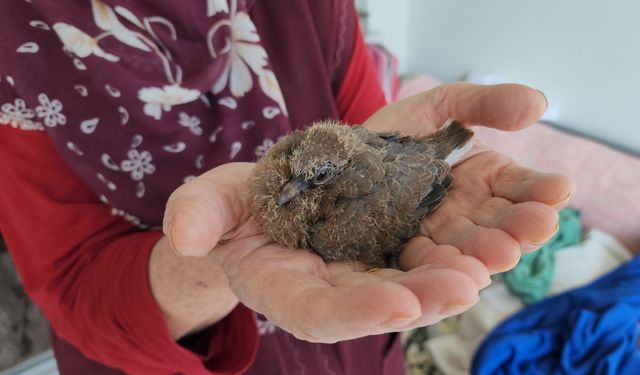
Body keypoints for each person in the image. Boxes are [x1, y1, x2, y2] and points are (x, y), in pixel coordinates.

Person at [0, 0, 574, 374]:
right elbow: (72, 284)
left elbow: (363, 133)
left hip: (353, 341)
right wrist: (217, 257)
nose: (293, 189)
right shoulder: (15, 51)